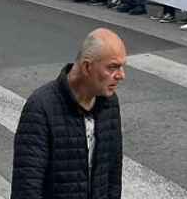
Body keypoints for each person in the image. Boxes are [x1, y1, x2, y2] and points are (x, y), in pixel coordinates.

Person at [11, 29, 126, 199]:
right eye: (112, 67)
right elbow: (27, 186)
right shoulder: (41, 107)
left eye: (122, 67)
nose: (121, 75)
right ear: (87, 67)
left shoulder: (109, 103)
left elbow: (113, 174)